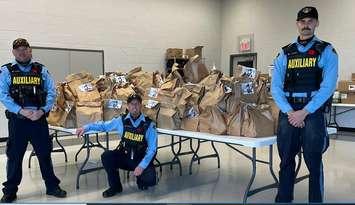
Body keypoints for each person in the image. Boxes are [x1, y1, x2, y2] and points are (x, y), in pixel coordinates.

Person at [271, 6, 338, 203]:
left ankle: (315, 200)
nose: (306, 25)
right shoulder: (284, 53)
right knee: (286, 160)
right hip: (288, 111)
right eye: (302, 21)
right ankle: (284, 199)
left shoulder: (326, 51)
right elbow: (275, 87)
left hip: (313, 112)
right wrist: (290, 111)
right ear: (297, 24)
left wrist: (304, 112)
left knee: (314, 161)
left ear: (316, 23)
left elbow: (328, 86)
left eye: (310, 21)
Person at [0, 38, 67, 203]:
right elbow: (3, 95)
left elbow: (52, 92)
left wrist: (42, 111)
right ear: (14, 52)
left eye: (25, 49)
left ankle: (52, 187)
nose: (22, 52)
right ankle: (10, 191)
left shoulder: (41, 70)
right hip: (18, 121)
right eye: (18, 49)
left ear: (30, 50)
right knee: (14, 156)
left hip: (38, 120)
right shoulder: (7, 71)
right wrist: (20, 110)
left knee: (44, 154)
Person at [76, 94, 157, 198]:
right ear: (127, 106)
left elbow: (152, 149)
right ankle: (115, 187)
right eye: (132, 104)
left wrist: (142, 166)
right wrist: (86, 127)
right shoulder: (121, 120)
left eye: (137, 104)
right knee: (107, 156)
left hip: (139, 159)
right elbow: (104, 126)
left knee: (150, 180)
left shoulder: (149, 124)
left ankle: (140, 179)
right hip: (125, 156)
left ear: (141, 105)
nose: (134, 106)